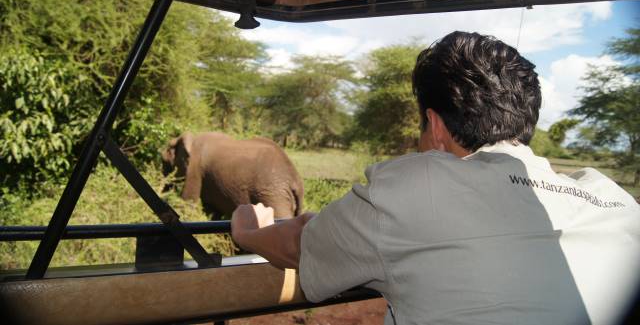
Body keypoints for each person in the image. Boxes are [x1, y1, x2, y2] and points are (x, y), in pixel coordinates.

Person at [231, 31, 640, 325]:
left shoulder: (412, 188)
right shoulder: (612, 198)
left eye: (422, 128)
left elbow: (294, 247)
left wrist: (248, 231)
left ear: (436, 125)